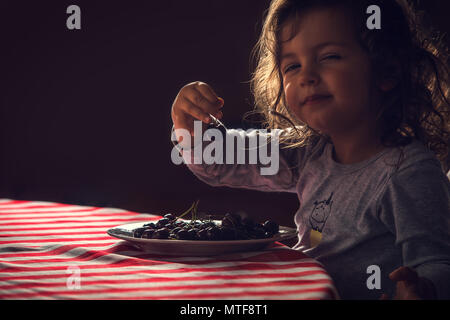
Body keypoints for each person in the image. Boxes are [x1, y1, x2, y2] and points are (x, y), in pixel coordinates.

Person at [170, 0, 450, 300]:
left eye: (329, 56)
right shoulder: (307, 150)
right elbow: (218, 163)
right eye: (292, 66)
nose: (306, 76)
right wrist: (188, 124)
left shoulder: (408, 172)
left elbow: (438, 262)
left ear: (387, 70)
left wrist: (423, 288)